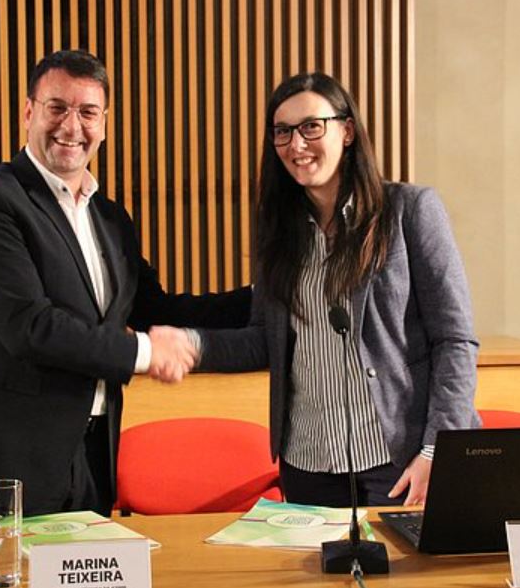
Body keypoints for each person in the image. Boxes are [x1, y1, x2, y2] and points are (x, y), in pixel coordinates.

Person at [0, 49, 251, 520]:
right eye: (57, 107)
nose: (71, 126)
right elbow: (29, 326)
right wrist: (145, 353)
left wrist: (270, 298)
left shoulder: (110, 218)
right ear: (28, 112)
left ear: (104, 122)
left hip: (94, 451)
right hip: (7, 453)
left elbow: (153, 307)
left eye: (87, 112)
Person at [188, 72, 478, 507]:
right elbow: (263, 339)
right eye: (282, 132)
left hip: (399, 462)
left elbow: (455, 341)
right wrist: (190, 346)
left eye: (311, 127)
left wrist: (437, 450)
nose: (296, 145)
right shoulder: (278, 232)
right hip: (308, 463)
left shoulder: (409, 211)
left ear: (347, 131)